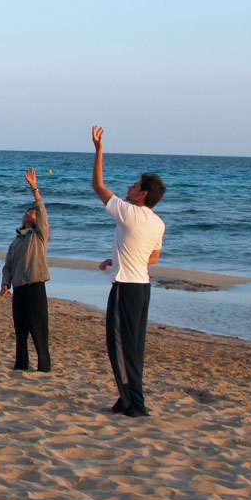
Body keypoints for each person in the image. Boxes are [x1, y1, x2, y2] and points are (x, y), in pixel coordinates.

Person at [90, 126, 166, 418]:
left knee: (119, 346)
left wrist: (99, 150)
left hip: (125, 287)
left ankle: (134, 403)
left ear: (142, 194)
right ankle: (127, 399)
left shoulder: (129, 212)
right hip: (142, 288)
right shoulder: (157, 222)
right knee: (133, 346)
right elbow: (154, 257)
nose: (130, 188)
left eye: (135, 186)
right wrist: (118, 258)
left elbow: (98, 186)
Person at [0, 168, 51, 372]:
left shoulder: (39, 236)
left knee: (39, 329)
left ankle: (44, 366)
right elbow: (8, 265)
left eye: (33, 212)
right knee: (20, 330)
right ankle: (21, 364)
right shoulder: (17, 240)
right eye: (29, 211)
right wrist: (5, 283)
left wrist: (34, 188)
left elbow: (43, 211)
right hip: (19, 289)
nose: (31, 212)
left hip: (35, 287)